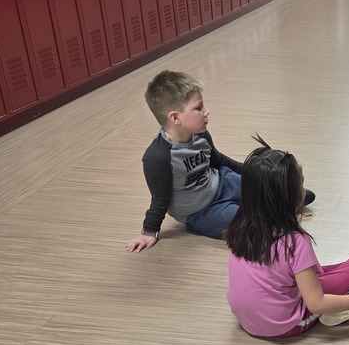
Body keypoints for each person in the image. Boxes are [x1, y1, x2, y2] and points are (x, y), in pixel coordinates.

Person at [126, 70, 314, 252]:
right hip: (200, 212)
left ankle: (285, 200)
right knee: (251, 222)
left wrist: (253, 175)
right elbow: (160, 199)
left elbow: (218, 160)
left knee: (281, 191)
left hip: (222, 183)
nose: (206, 112)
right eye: (198, 108)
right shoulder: (157, 157)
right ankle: (275, 209)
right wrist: (149, 231)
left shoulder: (200, 135)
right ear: (175, 117)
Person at [226, 138, 349, 337]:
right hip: (285, 324)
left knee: (310, 270)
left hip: (247, 319)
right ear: (290, 198)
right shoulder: (295, 242)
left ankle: (312, 286)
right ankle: (331, 313)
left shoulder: (238, 225)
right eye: (301, 183)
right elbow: (316, 303)